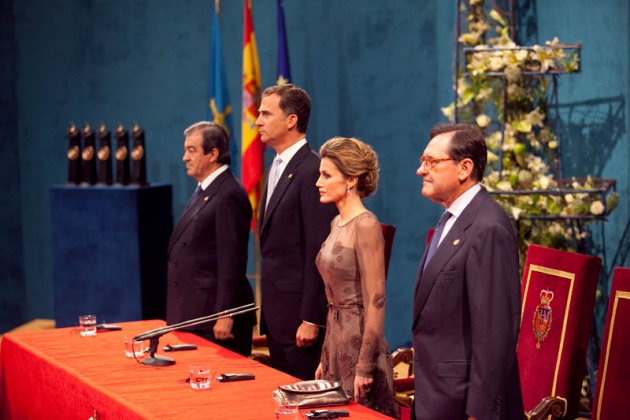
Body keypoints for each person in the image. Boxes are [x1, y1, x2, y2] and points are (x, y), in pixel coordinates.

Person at [412, 123, 523, 419]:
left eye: (431, 162)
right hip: (435, 395)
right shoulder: (450, 220)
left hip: (463, 404)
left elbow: (495, 330)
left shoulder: (488, 228)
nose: (421, 170)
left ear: (464, 168)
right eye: (423, 161)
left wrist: (480, 411)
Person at [256, 84, 337, 380]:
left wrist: (311, 318)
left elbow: (319, 251)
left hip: (300, 320)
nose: (258, 121)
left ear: (291, 120)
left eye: (266, 113)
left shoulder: (312, 170)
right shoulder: (278, 166)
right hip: (278, 314)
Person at [314, 137, 398, 418]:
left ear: (351, 180)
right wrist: (325, 356)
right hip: (335, 340)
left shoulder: (366, 224)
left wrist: (365, 365)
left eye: (326, 175)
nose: (318, 182)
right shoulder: (335, 222)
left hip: (359, 341)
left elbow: (377, 299)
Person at [166, 121, 255, 357]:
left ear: (213, 154)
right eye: (185, 150)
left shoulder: (228, 194)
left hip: (211, 319)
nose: (185, 157)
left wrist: (224, 314)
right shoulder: (205, 190)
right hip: (193, 312)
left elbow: (232, 260)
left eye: (191, 150)